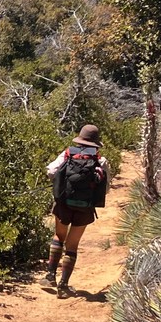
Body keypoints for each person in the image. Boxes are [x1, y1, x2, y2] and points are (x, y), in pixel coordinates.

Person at [43, 124, 108, 296]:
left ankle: (50, 275)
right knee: (72, 245)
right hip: (85, 208)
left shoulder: (68, 153)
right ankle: (63, 286)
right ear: (96, 143)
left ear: (80, 139)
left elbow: (51, 171)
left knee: (59, 236)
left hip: (63, 204)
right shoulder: (100, 161)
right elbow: (105, 188)